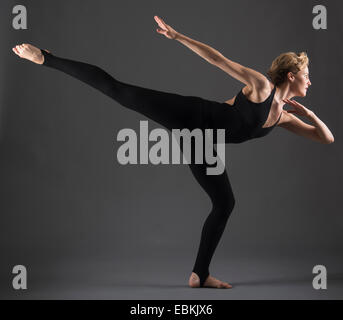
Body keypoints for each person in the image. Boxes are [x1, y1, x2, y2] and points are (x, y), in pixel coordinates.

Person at [12, 15, 334, 289]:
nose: (310, 81)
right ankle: (46, 58)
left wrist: (311, 116)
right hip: (192, 115)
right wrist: (177, 36)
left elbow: (327, 139)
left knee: (225, 203)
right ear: (291, 75)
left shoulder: (283, 118)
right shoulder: (261, 87)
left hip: (201, 145)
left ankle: (200, 274)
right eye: (306, 75)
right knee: (121, 92)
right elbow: (218, 59)